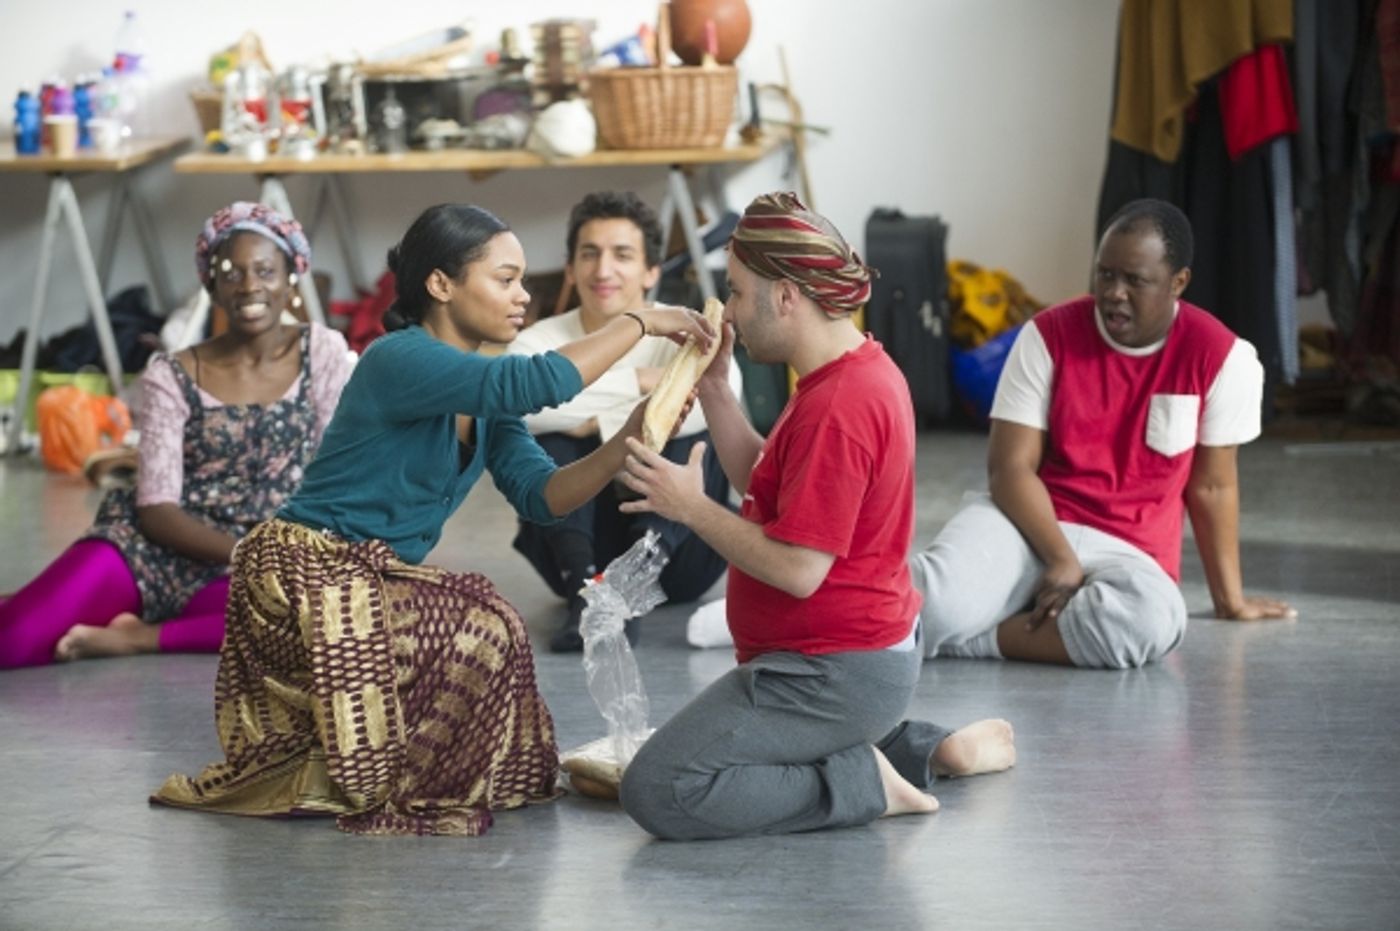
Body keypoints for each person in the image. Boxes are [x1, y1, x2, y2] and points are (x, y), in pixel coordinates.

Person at [151, 203, 715, 836]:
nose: (522, 296)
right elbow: (536, 384)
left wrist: (630, 435)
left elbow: (544, 495)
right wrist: (640, 320)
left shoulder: (486, 396)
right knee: (480, 616)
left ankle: (410, 766)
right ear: (441, 285)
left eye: (522, 280)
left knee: (493, 621)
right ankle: (364, 766)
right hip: (301, 573)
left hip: (368, 579)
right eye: (505, 280)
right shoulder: (399, 358)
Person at [613, 192, 1015, 841]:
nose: (733, 314)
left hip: (827, 673)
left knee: (660, 787)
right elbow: (771, 488)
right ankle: (921, 750)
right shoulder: (842, 374)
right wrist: (714, 386)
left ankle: (865, 783)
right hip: (847, 663)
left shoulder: (840, 406)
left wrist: (692, 507)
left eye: (739, 294)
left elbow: (800, 569)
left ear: (786, 297)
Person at [910, 198, 1296, 670]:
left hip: (1133, 553)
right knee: (931, 601)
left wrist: (1229, 600)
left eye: (1135, 280)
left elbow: (1213, 486)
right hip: (1025, 524)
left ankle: (974, 639)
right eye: (1105, 274)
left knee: (1150, 624)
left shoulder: (1224, 358)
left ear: (1179, 283)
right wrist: (1060, 557)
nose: (1114, 292)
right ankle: (824, 621)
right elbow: (1009, 468)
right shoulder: (1046, 335)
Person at [0, 202, 353, 668]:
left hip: (255, 573)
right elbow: (156, 510)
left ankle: (137, 637)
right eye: (232, 273)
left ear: (292, 278)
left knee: (319, 621)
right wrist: (250, 553)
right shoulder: (171, 373)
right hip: (151, 551)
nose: (250, 286)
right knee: (14, 638)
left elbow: (340, 471)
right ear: (212, 284)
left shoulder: (321, 353)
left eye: (266, 270)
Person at [507, 191, 740, 653]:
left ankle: (632, 584)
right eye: (589, 254)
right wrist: (637, 383)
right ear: (571, 268)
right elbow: (516, 405)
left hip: (677, 553)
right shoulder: (539, 342)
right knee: (545, 440)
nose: (603, 269)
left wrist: (586, 419)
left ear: (652, 271)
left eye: (623, 255)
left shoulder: (688, 330)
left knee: (687, 428)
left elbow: (709, 401)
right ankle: (586, 595)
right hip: (575, 551)